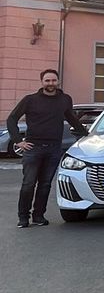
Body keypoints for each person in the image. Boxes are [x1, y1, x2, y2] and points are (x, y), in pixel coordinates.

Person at [6, 69, 89, 228]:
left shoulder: (65, 99)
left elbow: (72, 118)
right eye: (47, 81)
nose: (50, 83)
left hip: (53, 149)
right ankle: (23, 218)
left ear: (58, 82)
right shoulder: (30, 100)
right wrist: (18, 141)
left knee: (45, 184)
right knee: (28, 184)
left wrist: (86, 134)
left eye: (53, 80)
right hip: (33, 148)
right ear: (42, 82)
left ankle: (39, 216)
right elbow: (12, 119)